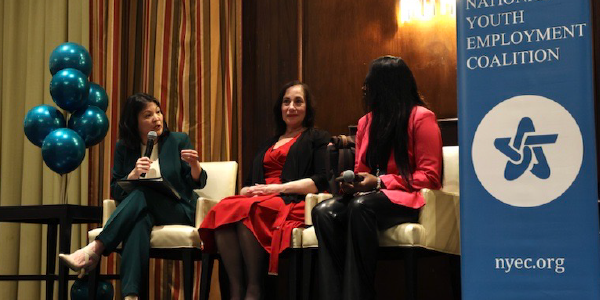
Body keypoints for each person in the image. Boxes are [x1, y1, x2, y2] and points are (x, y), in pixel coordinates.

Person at [311, 56, 443, 300]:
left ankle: (358, 294)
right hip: (370, 198)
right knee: (323, 212)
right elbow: (363, 169)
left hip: (405, 199)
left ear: (386, 86)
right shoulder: (366, 122)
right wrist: (353, 184)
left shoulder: (421, 117)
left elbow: (429, 176)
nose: (365, 90)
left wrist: (382, 182)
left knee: (362, 208)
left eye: (369, 84)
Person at [59, 93, 208, 300]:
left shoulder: (177, 140)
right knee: (138, 222)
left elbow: (196, 182)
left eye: (158, 112)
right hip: (144, 210)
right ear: (134, 122)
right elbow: (116, 191)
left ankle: (95, 249)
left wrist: (195, 166)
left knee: (141, 192)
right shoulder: (124, 148)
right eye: (148, 115)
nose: (156, 118)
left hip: (178, 210)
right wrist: (133, 175)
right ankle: (131, 296)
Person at [199, 81, 330, 300]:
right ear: (280, 108)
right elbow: (249, 183)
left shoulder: (317, 138)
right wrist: (248, 189)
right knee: (224, 209)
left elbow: (321, 181)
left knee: (248, 211)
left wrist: (277, 188)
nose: (291, 107)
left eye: (298, 102)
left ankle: (254, 288)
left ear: (308, 108)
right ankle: (236, 290)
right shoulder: (269, 143)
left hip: (292, 200)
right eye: (286, 102)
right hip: (263, 199)